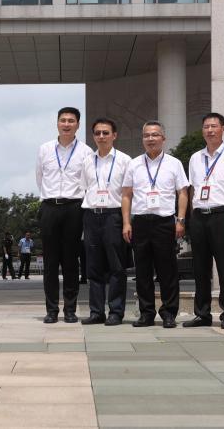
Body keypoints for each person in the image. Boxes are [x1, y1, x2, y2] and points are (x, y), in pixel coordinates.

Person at [122, 121, 188, 329]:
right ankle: (146, 313)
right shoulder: (133, 164)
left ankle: (169, 313)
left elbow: (183, 193)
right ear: (143, 139)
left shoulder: (174, 163)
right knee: (142, 271)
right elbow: (126, 195)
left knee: (167, 270)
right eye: (147, 135)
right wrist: (126, 223)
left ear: (163, 139)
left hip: (164, 222)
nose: (150, 139)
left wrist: (181, 219)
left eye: (155, 135)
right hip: (140, 221)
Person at [184, 113, 224, 330]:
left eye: (214, 126)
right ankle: (202, 314)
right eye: (206, 127)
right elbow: (192, 189)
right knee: (200, 267)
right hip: (200, 217)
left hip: (222, 216)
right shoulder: (195, 158)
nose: (210, 130)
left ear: (223, 129)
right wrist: (190, 217)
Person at [35, 106, 91, 324]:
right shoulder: (44, 149)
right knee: (50, 263)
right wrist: (50, 198)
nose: (66, 124)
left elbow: (87, 182)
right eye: (63, 120)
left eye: (71, 120)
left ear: (77, 124)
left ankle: (70, 309)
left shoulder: (85, 151)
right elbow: (39, 177)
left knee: (70, 261)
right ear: (57, 123)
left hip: (74, 207)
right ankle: (51, 310)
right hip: (49, 207)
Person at [80, 118, 131, 326]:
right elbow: (85, 188)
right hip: (92, 215)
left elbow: (128, 193)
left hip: (114, 215)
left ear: (114, 135)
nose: (101, 136)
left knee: (116, 266)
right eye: (98, 133)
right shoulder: (86, 161)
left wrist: (127, 221)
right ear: (93, 136)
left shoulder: (125, 160)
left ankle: (116, 312)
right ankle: (96, 311)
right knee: (93, 267)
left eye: (105, 133)